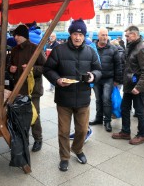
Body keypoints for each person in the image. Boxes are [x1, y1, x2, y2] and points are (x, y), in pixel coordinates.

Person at [43, 19, 102, 172]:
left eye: (81, 35)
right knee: (63, 131)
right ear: (70, 34)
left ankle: (78, 149)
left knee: (82, 130)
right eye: (75, 34)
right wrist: (57, 79)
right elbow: (48, 69)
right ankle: (64, 157)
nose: (78, 37)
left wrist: (93, 76)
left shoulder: (90, 51)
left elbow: (98, 70)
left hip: (83, 98)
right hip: (64, 98)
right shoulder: (59, 50)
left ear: (84, 36)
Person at [9, 24, 46, 152]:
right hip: (18, 89)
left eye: (17, 35)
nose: (15, 37)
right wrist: (11, 69)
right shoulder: (14, 50)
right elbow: (9, 66)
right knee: (20, 116)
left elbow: (44, 67)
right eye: (15, 35)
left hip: (33, 90)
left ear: (24, 36)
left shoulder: (35, 49)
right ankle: (24, 138)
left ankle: (38, 139)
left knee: (34, 115)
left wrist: (32, 69)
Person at [111, 25, 144, 145]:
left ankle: (142, 135)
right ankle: (125, 132)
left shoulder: (142, 47)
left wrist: (138, 87)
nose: (126, 38)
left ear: (134, 35)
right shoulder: (131, 46)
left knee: (139, 111)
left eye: (127, 36)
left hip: (137, 86)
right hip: (129, 84)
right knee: (124, 108)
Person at [89, 27, 122, 132]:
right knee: (98, 100)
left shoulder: (113, 48)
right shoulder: (92, 48)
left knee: (106, 99)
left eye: (106, 35)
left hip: (109, 79)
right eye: (102, 35)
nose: (104, 37)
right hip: (96, 79)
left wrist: (117, 80)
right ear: (98, 36)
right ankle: (98, 118)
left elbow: (118, 65)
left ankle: (107, 121)